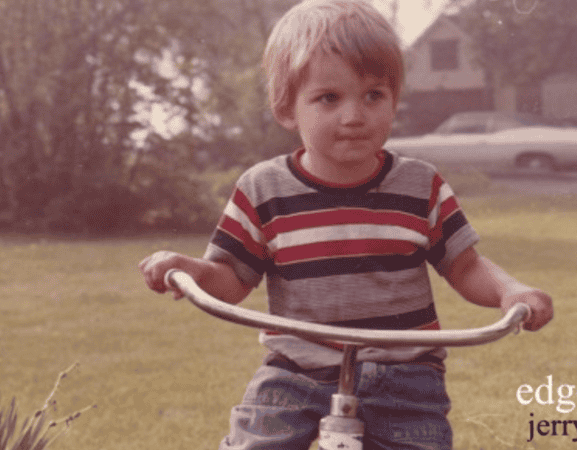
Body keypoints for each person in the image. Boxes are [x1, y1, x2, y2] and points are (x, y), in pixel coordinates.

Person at [138, 1, 554, 448]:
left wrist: (511, 291)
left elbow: (465, 265)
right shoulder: (263, 190)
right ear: (286, 108)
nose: (354, 115)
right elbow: (230, 278)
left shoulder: (420, 185)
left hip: (405, 374)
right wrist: (191, 271)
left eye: (373, 94)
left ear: (394, 99)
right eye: (329, 98)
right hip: (296, 371)